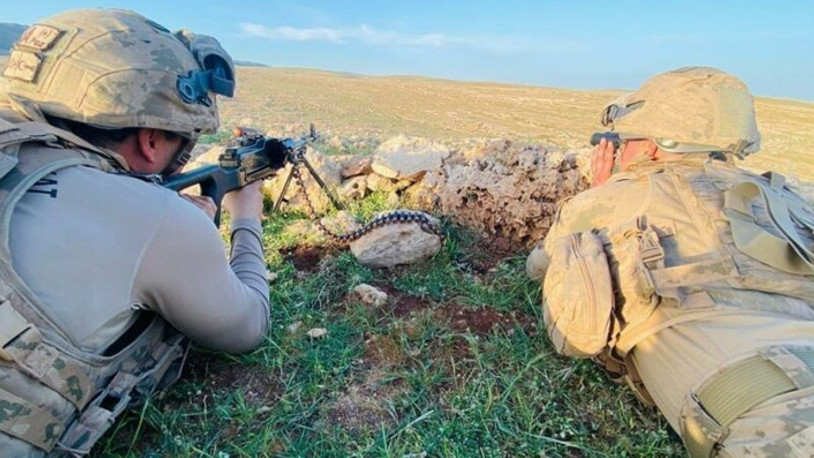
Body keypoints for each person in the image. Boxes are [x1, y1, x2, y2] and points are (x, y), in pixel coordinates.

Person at [0, 9, 269, 456]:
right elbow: (249, 327)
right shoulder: (160, 221)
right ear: (150, 140)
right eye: (183, 140)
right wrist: (246, 213)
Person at [527, 67, 814, 457]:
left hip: (772, 410)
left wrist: (600, 195)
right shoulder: (787, 198)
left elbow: (538, 268)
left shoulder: (620, 196)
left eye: (626, 141)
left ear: (652, 146)